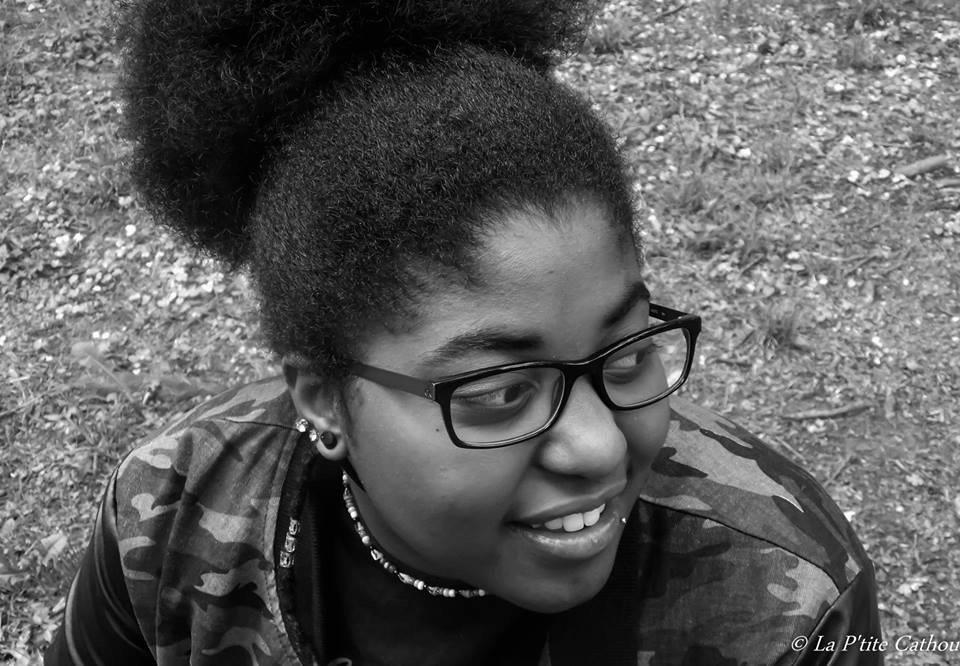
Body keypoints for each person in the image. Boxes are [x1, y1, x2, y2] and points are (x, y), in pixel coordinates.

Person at [45, 1, 882, 664]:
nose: (599, 448)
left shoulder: (783, 595)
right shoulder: (171, 514)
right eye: (502, 393)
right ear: (324, 397)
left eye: (626, 353)